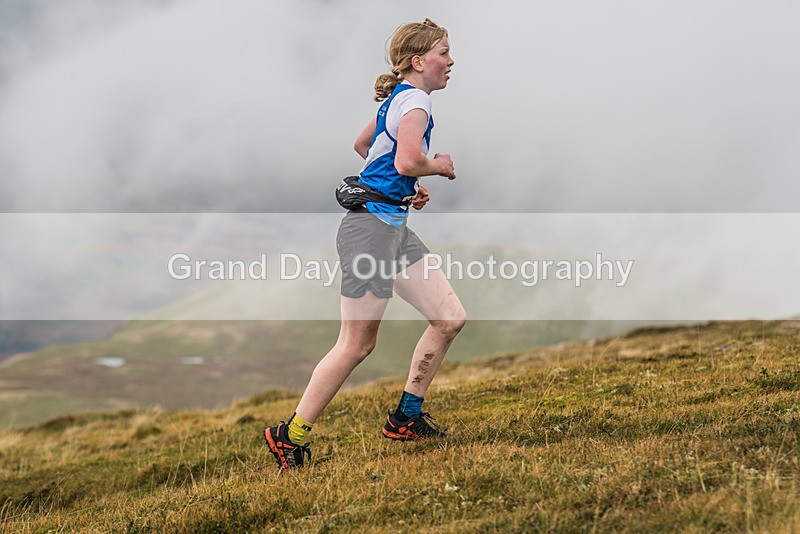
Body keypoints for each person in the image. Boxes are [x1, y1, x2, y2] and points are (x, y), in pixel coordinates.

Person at [264, 18, 465, 470]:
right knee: (355, 345)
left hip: (391, 228)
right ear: (419, 61)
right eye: (444, 53)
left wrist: (406, 187)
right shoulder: (416, 102)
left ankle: (405, 418)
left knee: (449, 318)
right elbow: (407, 159)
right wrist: (438, 166)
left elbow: (364, 146)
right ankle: (288, 436)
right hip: (371, 232)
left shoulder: (399, 98)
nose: (451, 61)